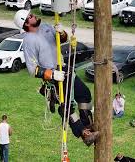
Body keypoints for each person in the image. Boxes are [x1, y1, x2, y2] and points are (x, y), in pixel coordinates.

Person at [13, 10, 99, 146]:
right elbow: (32, 69)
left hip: (64, 69)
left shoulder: (45, 27)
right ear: (26, 23)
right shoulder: (28, 41)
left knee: (84, 94)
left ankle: (88, 126)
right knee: (67, 107)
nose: (33, 15)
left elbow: (61, 40)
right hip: (53, 77)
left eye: (31, 14)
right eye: (30, 16)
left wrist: (61, 32)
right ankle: (83, 133)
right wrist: (52, 74)